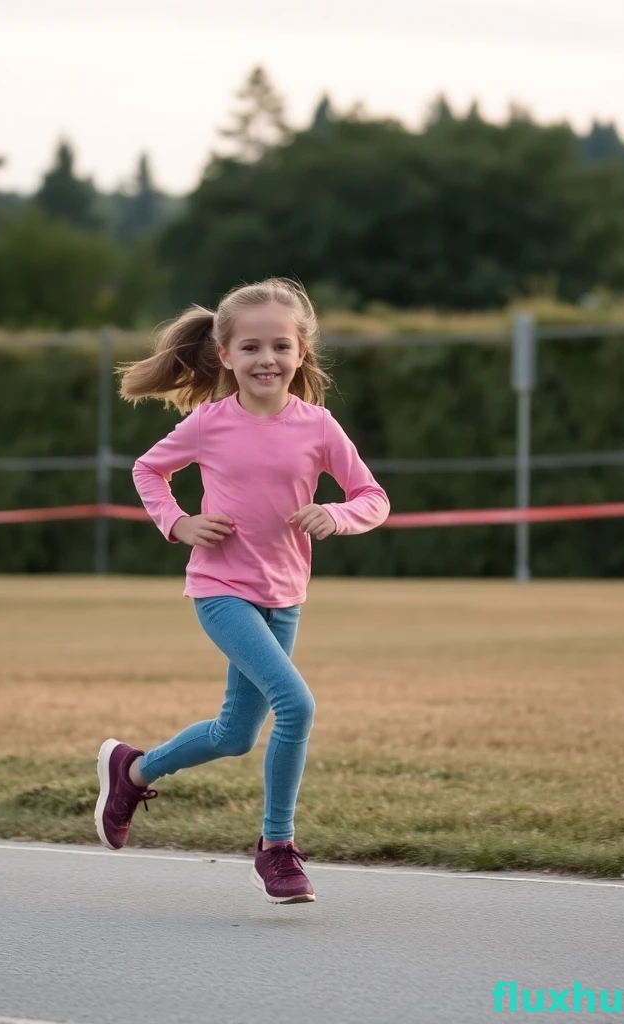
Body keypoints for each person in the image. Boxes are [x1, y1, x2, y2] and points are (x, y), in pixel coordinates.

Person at [93, 278, 390, 904]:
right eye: (250, 347)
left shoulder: (319, 426)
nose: (267, 359)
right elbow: (148, 469)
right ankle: (276, 849)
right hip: (220, 588)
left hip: (284, 596)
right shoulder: (208, 424)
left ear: (302, 351)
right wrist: (178, 522)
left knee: (234, 735)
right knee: (297, 705)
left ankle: (133, 770)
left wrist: (334, 516)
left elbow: (373, 498)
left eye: (280, 346)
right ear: (224, 354)